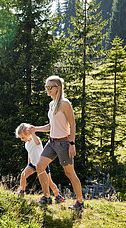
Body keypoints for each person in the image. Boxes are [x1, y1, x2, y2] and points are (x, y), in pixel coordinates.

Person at [32, 75, 84, 210]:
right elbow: (51, 126)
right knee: (39, 167)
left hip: (64, 143)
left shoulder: (65, 104)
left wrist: (72, 144)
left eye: (49, 87)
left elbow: (72, 124)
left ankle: (79, 202)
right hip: (52, 142)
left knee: (69, 173)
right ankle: (47, 197)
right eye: (46, 87)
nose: (47, 89)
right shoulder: (51, 104)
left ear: (58, 88)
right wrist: (35, 129)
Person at [15, 123, 65, 203]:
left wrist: (32, 133)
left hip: (42, 165)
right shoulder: (26, 144)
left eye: (23, 137)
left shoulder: (36, 139)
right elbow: (29, 153)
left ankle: (58, 196)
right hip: (32, 164)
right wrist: (29, 163)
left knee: (49, 182)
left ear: (28, 134)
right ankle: (22, 191)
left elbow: (37, 142)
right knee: (23, 175)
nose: (22, 139)